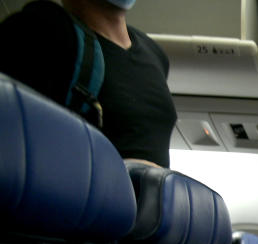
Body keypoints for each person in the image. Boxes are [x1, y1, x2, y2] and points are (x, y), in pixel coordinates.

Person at [0, 0, 176, 167]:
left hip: (149, 198)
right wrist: (121, 172)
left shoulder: (154, 54)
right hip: (85, 195)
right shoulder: (40, 30)